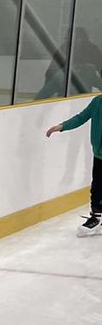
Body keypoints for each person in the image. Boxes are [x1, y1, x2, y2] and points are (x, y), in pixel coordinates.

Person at [45, 92, 102, 236]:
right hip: (99, 154)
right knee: (97, 187)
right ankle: (97, 218)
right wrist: (62, 126)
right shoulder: (97, 101)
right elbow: (81, 117)